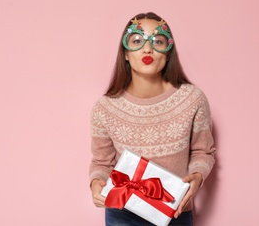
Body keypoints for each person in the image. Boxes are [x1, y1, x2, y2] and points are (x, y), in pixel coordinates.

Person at [89, 12, 216, 226]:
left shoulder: (192, 99)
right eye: (137, 40)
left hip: (174, 211)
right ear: (126, 54)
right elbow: (102, 162)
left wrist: (197, 177)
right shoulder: (105, 108)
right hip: (122, 213)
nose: (147, 49)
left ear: (168, 53)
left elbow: (203, 152)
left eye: (158, 41)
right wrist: (95, 183)